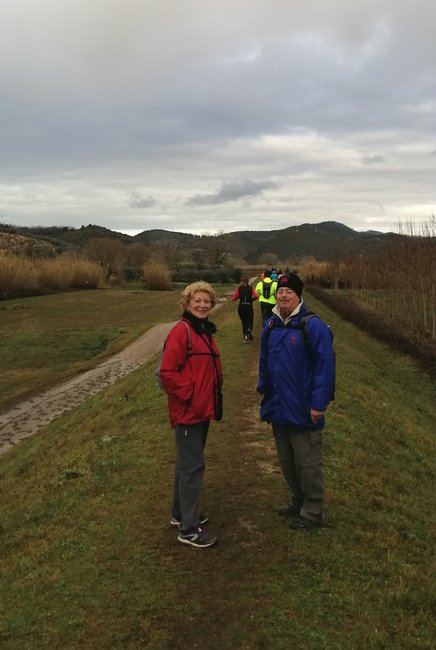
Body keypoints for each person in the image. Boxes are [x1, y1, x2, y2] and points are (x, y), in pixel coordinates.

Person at [257, 273, 335, 530]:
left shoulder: (313, 326)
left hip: (304, 408)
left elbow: (325, 367)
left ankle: (312, 512)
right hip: (279, 405)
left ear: (299, 295)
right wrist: (263, 386)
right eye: (280, 291)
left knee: (307, 463)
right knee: (287, 462)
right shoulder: (272, 324)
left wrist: (318, 404)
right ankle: (297, 501)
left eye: (289, 292)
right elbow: (264, 359)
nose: (283, 296)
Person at [158, 281, 223, 548]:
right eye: (197, 300)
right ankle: (188, 529)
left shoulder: (202, 331)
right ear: (187, 303)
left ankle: (179, 515)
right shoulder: (181, 332)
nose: (202, 305)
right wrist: (191, 395)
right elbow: (167, 373)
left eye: (207, 301)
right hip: (189, 413)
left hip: (201, 411)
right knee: (192, 468)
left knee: (185, 465)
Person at [231, 275, 258, 342]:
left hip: (241, 307)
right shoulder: (251, 288)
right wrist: (252, 299)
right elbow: (256, 296)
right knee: (250, 321)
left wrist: (238, 297)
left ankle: (245, 337)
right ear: (247, 281)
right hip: (249, 307)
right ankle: (249, 329)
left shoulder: (239, 289)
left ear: (241, 281)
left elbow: (233, 298)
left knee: (244, 322)